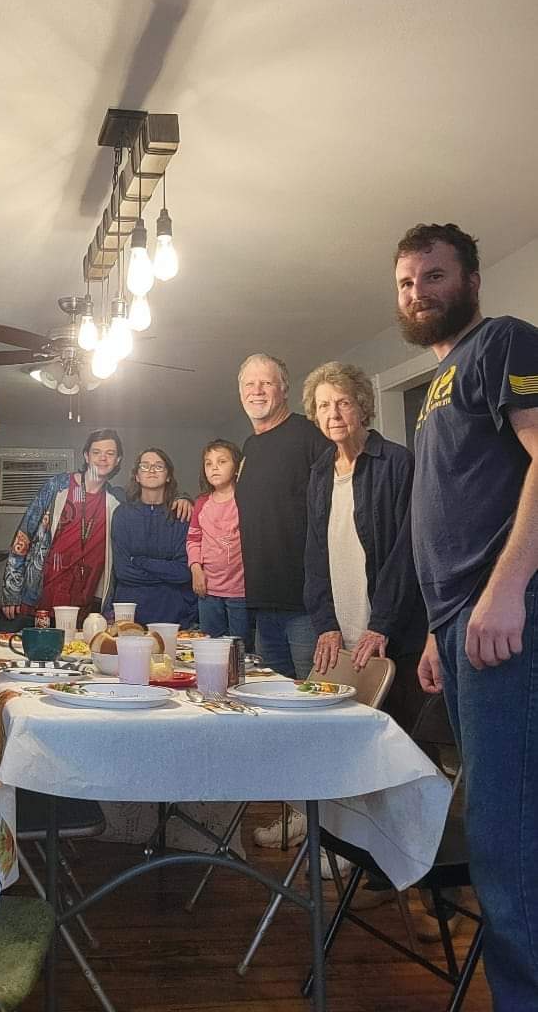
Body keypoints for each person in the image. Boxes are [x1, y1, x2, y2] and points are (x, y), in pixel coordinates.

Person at [395, 222, 538, 1009]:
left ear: (471, 281)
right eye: (407, 282)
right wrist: (435, 630)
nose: (418, 293)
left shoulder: (503, 342)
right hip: (460, 626)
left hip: (506, 618)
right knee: (498, 825)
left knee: (505, 839)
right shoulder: (436, 387)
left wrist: (507, 588)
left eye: (434, 276)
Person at [302, 361, 427, 732]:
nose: (334, 414)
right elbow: (315, 555)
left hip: (393, 634)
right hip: (341, 635)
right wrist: (326, 625)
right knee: (348, 735)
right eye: (323, 406)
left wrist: (381, 625)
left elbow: (407, 552)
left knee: (403, 738)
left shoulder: (397, 462)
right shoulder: (319, 473)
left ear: (362, 406)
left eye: (342, 402)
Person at [238, 353, 330, 851]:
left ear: (284, 388)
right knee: (278, 718)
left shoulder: (309, 435)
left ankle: (331, 832)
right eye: (248, 384)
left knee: (314, 717)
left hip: (306, 606)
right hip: (264, 606)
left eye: (266, 383)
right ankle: (298, 815)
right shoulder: (250, 446)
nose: (257, 391)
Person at [0, 430, 191, 627]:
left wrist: (182, 498)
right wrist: (11, 590)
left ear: (118, 460)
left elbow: (151, 495)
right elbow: (23, 535)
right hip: (39, 594)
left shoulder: (117, 499)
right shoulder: (58, 486)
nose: (102, 458)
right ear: (86, 456)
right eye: (96, 452)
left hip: (86, 603)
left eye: (110, 453)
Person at [106, 448, 196, 627]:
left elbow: (183, 572)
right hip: (131, 613)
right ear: (137, 476)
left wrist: (140, 561)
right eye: (145, 466)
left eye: (158, 466)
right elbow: (123, 571)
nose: (152, 470)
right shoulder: (123, 514)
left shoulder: (181, 514)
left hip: (175, 613)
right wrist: (165, 570)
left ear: (168, 476)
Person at [187, 439, 249, 641]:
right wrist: (196, 569)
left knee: (239, 647)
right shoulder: (202, 503)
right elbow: (193, 539)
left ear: (237, 467)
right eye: (209, 463)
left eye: (222, 461)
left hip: (240, 590)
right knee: (210, 644)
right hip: (208, 589)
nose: (214, 467)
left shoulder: (245, 500)